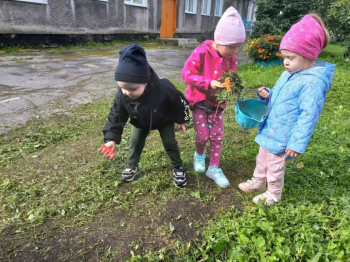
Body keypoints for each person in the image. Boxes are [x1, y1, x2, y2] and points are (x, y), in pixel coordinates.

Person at [238, 14, 335, 206]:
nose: (285, 62)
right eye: (284, 57)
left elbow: (309, 115)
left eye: (291, 57)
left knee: (275, 165)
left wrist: (297, 143)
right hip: (272, 128)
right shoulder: (289, 73)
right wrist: (268, 95)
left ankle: (273, 194)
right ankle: (258, 181)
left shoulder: (313, 83)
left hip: (285, 135)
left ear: (308, 55)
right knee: (262, 157)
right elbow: (283, 98)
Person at [99, 43, 190, 187]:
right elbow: (116, 113)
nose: (127, 92)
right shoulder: (123, 95)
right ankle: (131, 165)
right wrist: (111, 137)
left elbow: (178, 101)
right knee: (134, 144)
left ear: (146, 82)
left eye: (133, 89)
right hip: (139, 121)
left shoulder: (164, 87)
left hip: (163, 119)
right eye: (122, 88)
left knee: (170, 143)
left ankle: (178, 167)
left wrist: (181, 120)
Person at [181, 7, 246, 188]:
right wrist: (208, 83)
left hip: (218, 104)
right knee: (203, 136)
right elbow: (187, 74)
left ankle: (214, 168)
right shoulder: (201, 52)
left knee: (217, 137)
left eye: (238, 46)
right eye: (231, 46)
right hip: (199, 102)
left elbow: (230, 78)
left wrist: (229, 88)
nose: (235, 50)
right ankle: (199, 156)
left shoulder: (231, 59)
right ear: (219, 41)